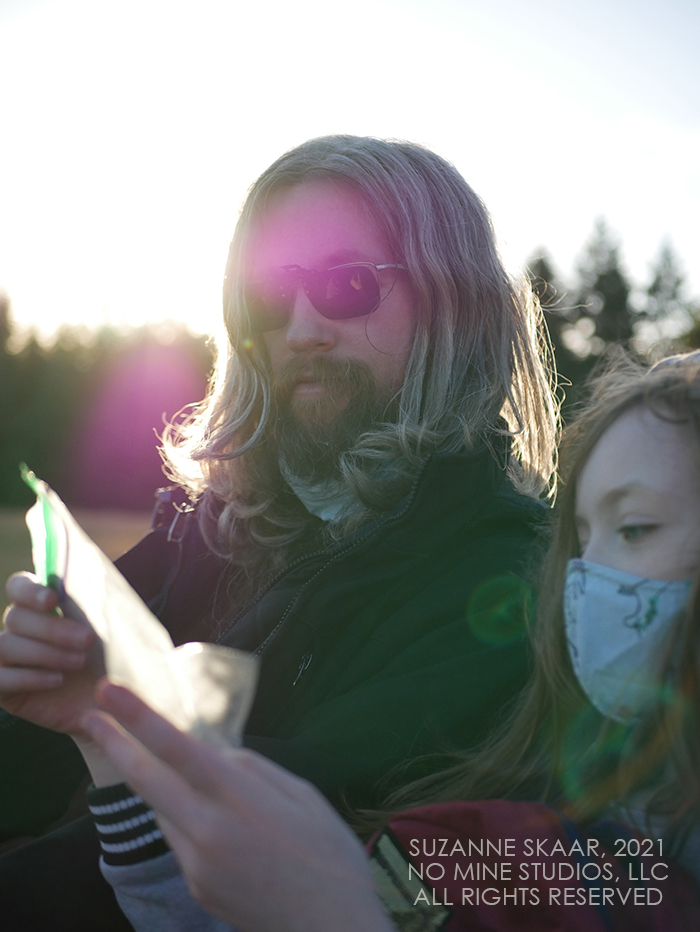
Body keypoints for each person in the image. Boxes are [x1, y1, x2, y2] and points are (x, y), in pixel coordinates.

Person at [0, 135, 557, 929]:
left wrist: (103, 721)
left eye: (349, 285)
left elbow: (256, 830)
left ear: (454, 304)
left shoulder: (508, 584)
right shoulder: (214, 531)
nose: (301, 329)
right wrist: (36, 680)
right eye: (269, 295)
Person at [73, 352, 700, 930]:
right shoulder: (506, 830)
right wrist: (103, 736)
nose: (587, 579)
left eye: (636, 528)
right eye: (582, 538)